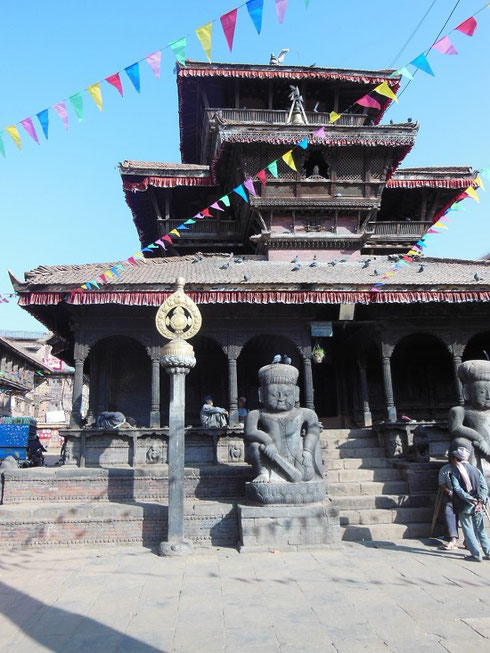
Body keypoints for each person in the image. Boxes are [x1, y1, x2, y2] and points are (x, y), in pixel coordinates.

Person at [449, 446, 490, 562]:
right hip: (478, 505)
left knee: (468, 529)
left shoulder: (455, 472)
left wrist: (471, 499)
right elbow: (484, 487)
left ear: (456, 459)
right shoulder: (476, 470)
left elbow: (458, 490)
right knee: (481, 529)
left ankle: (476, 555)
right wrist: (480, 501)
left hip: (465, 505)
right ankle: (488, 552)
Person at [438, 455, 459, 550]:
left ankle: (469, 539)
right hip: (451, 495)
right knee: (448, 509)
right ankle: (453, 538)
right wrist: (449, 492)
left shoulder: (466, 468)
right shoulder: (445, 469)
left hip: (466, 497)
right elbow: (441, 483)